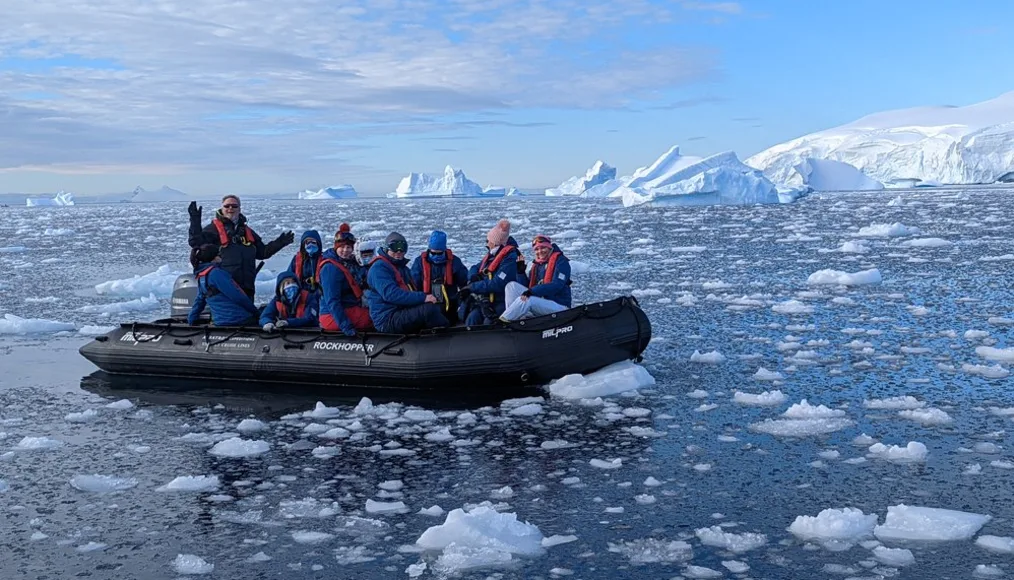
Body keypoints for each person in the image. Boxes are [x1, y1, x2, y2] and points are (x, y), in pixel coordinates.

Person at [187, 196, 294, 299]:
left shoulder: (247, 231)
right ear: (221, 208)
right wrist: (195, 221)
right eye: (227, 206)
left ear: (239, 209)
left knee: (248, 316)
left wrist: (280, 243)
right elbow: (196, 242)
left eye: (234, 206)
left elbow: (263, 253)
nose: (230, 208)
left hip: (247, 287)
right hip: (224, 288)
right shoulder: (213, 229)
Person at [366, 232, 449, 334]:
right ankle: (448, 337)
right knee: (429, 310)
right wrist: (423, 297)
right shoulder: (379, 269)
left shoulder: (402, 268)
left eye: (403, 248)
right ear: (387, 248)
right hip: (387, 318)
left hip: (401, 311)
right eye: (394, 247)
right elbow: (391, 294)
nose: (399, 251)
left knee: (436, 306)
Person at [459, 219, 520, 325]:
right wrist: (474, 276)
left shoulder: (510, 259)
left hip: (500, 300)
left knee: (489, 322)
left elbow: (498, 283)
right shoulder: (492, 256)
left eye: (488, 241)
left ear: (495, 242)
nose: (487, 244)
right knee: (472, 318)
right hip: (486, 300)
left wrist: (472, 287)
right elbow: (475, 267)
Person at [316, 224, 373, 335]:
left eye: (349, 247)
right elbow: (332, 301)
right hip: (332, 316)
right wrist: (346, 326)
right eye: (342, 247)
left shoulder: (351, 264)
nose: (345, 250)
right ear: (336, 247)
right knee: (376, 316)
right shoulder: (330, 268)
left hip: (351, 308)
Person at [500, 235, 572, 321]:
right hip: (541, 302)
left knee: (528, 300)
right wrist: (520, 272)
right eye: (537, 249)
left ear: (549, 248)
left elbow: (557, 285)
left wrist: (532, 292)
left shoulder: (561, 262)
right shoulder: (537, 266)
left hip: (560, 307)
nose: (540, 251)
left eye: (543, 248)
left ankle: (505, 322)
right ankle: (514, 319)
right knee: (511, 286)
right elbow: (528, 287)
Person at [187, 243, 260, 326]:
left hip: (219, 321)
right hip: (238, 319)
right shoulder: (217, 274)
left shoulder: (202, 276)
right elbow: (237, 296)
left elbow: (199, 300)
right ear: (214, 257)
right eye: (219, 254)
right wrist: (255, 312)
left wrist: (192, 318)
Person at [410, 230, 469, 325]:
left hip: (450, 305)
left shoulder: (455, 262)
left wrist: (462, 299)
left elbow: (465, 282)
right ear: (429, 250)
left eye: (439, 253)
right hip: (427, 306)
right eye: (433, 253)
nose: (436, 256)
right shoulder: (419, 263)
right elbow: (414, 286)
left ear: (444, 250)